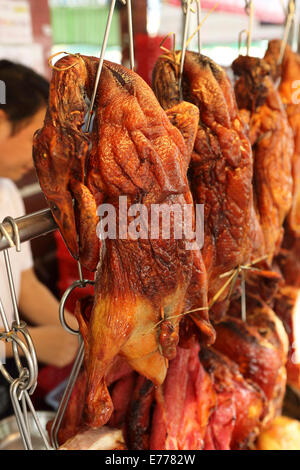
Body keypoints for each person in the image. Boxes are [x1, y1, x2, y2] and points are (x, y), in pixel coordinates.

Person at [0, 60, 79, 417]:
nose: (39, 154)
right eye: (35, 135)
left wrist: (75, 333)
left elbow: (23, 285)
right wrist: (21, 343)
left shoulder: (6, 192)